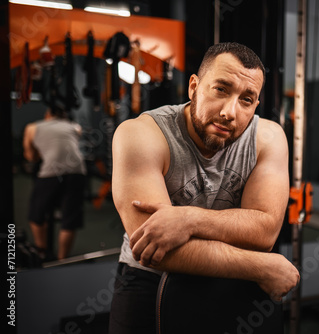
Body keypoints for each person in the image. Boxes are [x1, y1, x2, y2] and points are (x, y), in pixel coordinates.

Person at [109, 42, 300, 333]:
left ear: (256, 105)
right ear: (194, 87)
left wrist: (187, 218)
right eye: (221, 89)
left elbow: (264, 232)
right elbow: (151, 248)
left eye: (246, 99)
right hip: (150, 276)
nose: (229, 112)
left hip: (229, 276)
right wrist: (261, 267)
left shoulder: (268, 138)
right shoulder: (141, 135)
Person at [23, 105, 87, 261]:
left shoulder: (32, 127)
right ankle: (62, 259)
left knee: (36, 214)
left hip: (51, 172)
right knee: (69, 217)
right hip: (77, 171)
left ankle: (42, 252)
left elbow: (31, 157)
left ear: (47, 114)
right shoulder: (75, 127)